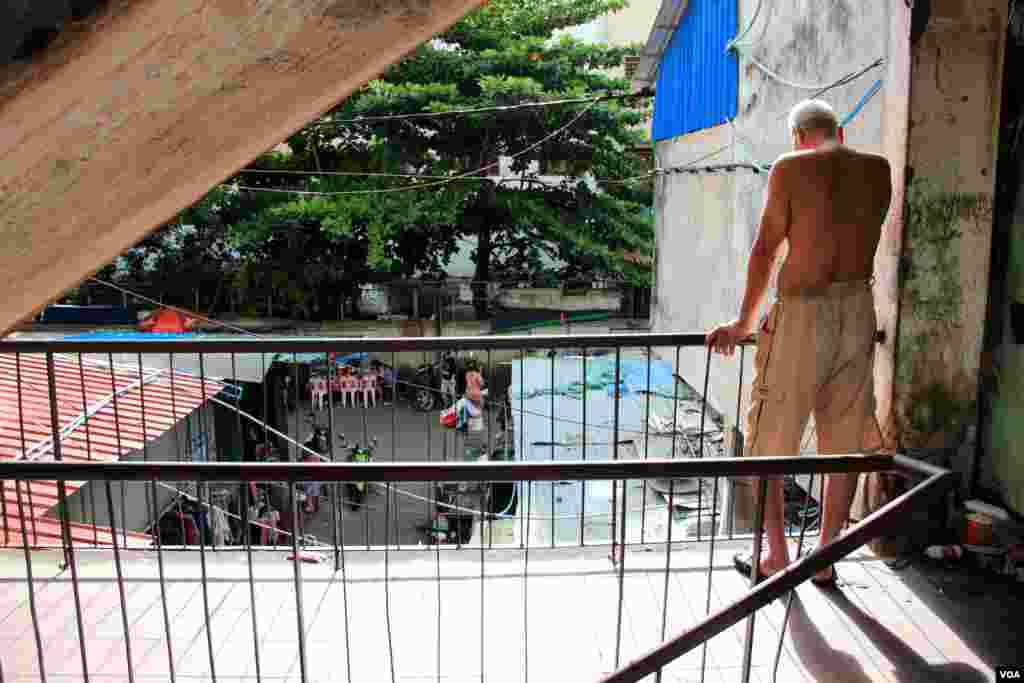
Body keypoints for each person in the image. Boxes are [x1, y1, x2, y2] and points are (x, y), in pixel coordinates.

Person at [705, 99, 892, 588]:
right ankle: (826, 557)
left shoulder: (790, 169)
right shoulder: (878, 171)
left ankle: (777, 556)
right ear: (840, 131)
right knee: (844, 443)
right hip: (857, 310)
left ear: (797, 136)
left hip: (803, 313)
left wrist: (743, 322)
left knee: (770, 441)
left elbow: (766, 248)